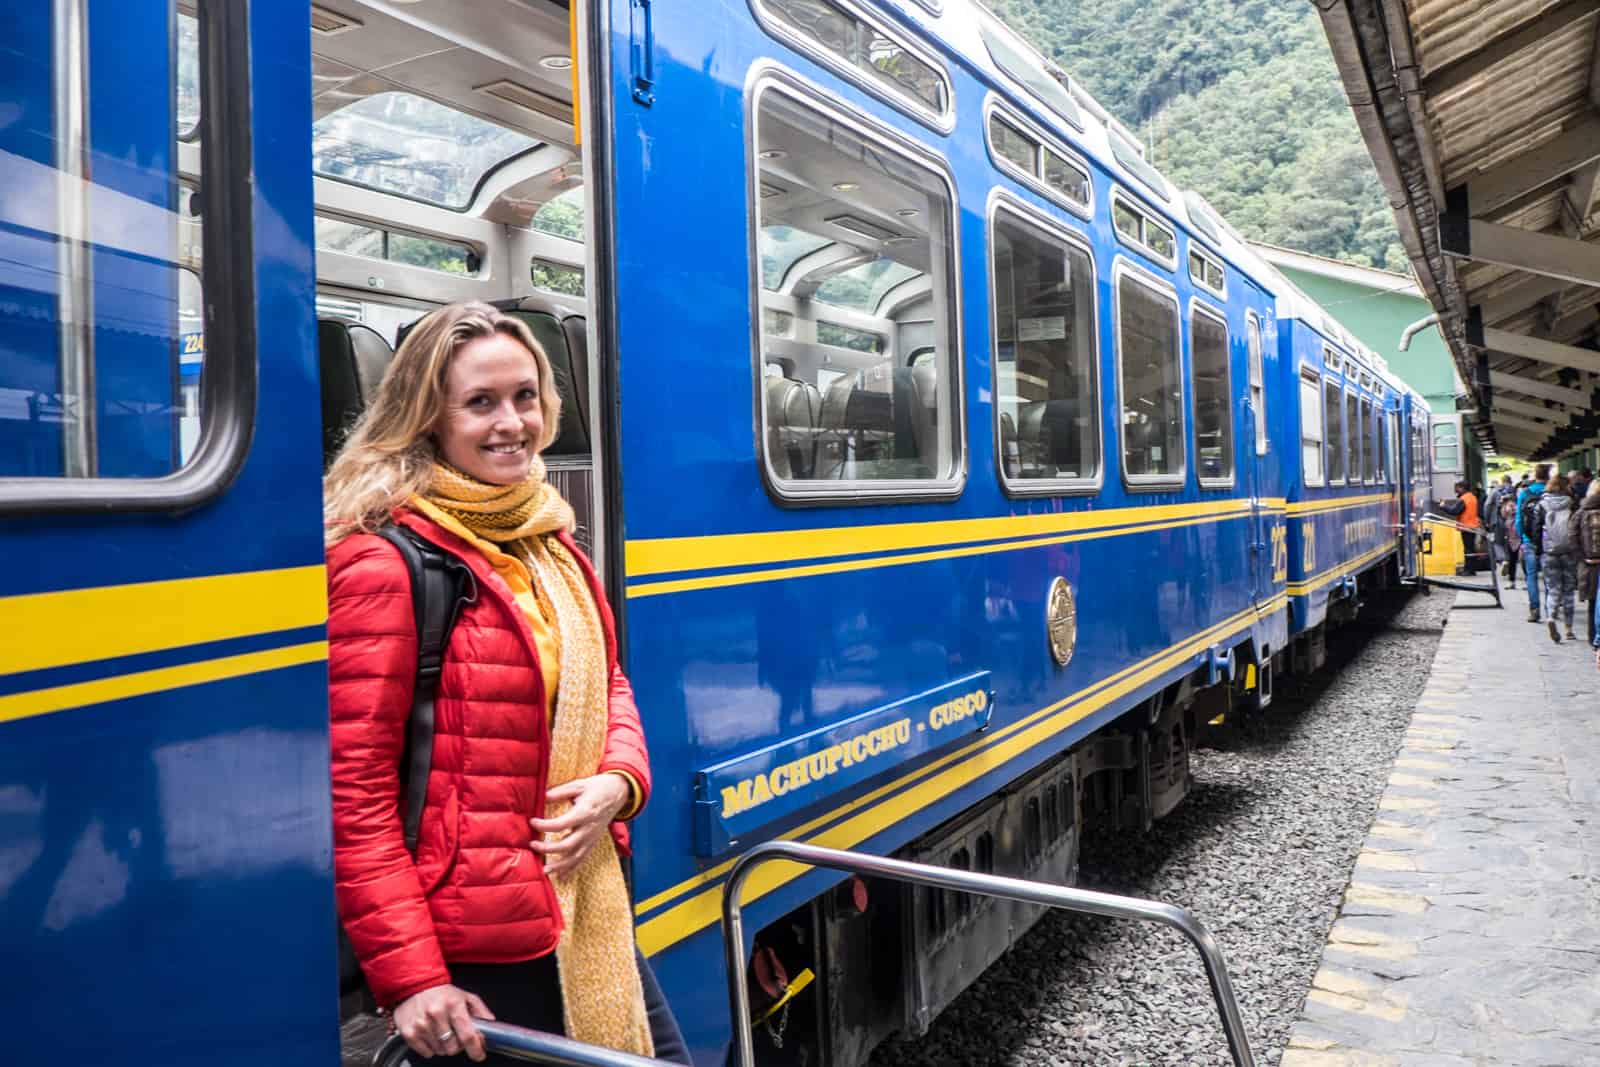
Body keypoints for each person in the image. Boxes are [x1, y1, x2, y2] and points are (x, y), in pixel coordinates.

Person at [323, 302, 688, 1064]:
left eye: (525, 397)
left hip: (582, 901)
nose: (510, 422)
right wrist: (413, 977)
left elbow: (608, 681)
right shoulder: (382, 561)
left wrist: (619, 782)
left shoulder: (550, 538)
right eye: (480, 402)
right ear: (428, 416)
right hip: (475, 945)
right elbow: (351, 791)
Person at [1539, 473, 1579, 643]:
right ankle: (1569, 629)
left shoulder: (1541, 504)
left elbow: (1534, 528)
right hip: (1568, 552)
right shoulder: (1572, 504)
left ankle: (1551, 617)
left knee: (1553, 588)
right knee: (1569, 591)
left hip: (1549, 552)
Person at [1516, 463, 1550, 621]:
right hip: (1549, 540)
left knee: (1531, 575)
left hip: (1530, 540)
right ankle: (1551, 609)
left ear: (1535, 476)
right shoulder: (1552, 492)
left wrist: (1523, 538)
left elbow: (1518, 520)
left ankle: (1534, 610)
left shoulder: (1525, 493)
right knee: (1550, 576)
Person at [1578, 478, 1600, 648]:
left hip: (1589, 563)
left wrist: (1582, 557)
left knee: (1593, 603)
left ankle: (1594, 638)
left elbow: (1572, 536)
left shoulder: (1581, 512)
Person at [1485, 475, 1517, 583]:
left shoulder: (1495, 491)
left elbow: (1487, 506)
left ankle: (1503, 560)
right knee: (1510, 543)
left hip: (1497, 521)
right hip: (1512, 521)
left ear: (1502, 481)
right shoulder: (1514, 491)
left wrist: (1487, 520)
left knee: (1497, 543)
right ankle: (1510, 563)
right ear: (1510, 481)